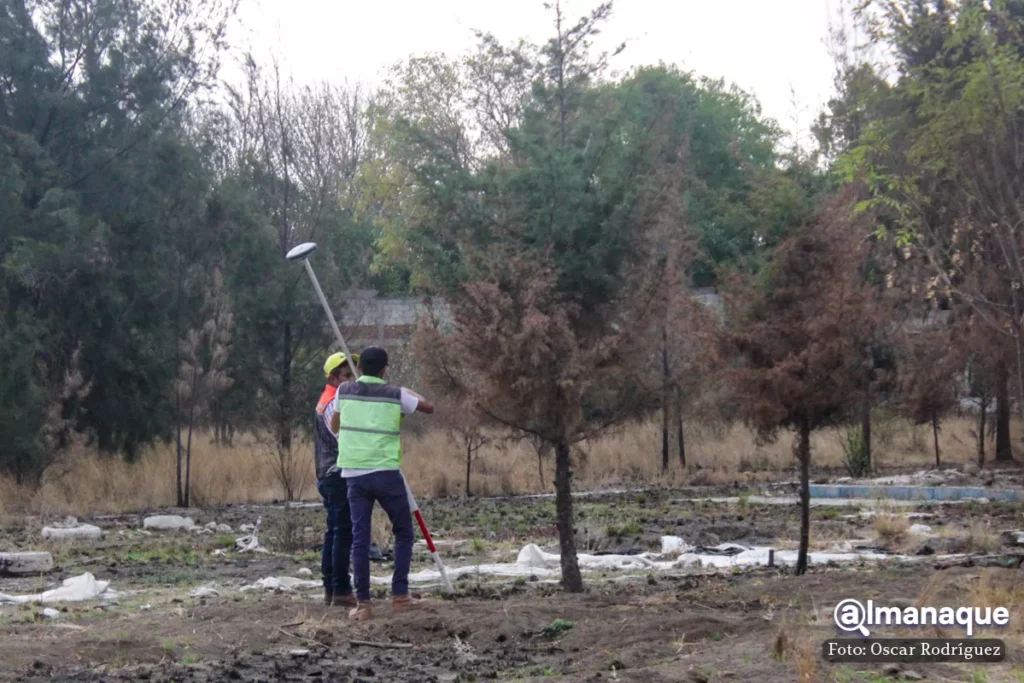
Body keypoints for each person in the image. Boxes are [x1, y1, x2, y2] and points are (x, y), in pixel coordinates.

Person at [331, 345, 434, 621]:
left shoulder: (344, 391)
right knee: (403, 533)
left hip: (354, 475)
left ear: (360, 368)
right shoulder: (396, 394)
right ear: (385, 369)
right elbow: (428, 407)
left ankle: (363, 604)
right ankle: (400, 595)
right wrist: (408, 392)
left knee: (360, 538)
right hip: (386, 473)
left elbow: (334, 426)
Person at [314, 351, 358, 608]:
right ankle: (340, 588)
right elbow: (343, 436)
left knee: (334, 533)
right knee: (343, 533)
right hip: (336, 473)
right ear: (332, 377)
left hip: (328, 472)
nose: (351, 379)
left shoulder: (329, 398)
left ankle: (331, 588)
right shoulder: (333, 403)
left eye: (352, 373)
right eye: (346, 375)